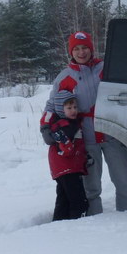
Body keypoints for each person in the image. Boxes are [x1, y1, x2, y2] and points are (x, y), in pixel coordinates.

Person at [40, 31, 127, 215]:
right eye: (76, 49)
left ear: (91, 49)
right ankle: (93, 221)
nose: (81, 52)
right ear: (71, 52)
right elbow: (52, 105)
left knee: (124, 181)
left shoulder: (106, 68)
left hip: (113, 134)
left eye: (85, 48)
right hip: (86, 139)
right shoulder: (64, 77)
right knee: (91, 188)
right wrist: (45, 127)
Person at [42, 90, 89, 220]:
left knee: (63, 199)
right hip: (68, 167)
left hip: (61, 168)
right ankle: (77, 221)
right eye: (69, 108)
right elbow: (66, 148)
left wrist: (85, 157)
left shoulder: (67, 124)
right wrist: (66, 145)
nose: (73, 110)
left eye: (75, 107)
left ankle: (59, 222)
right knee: (78, 200)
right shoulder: (65, 126)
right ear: (60, 110)